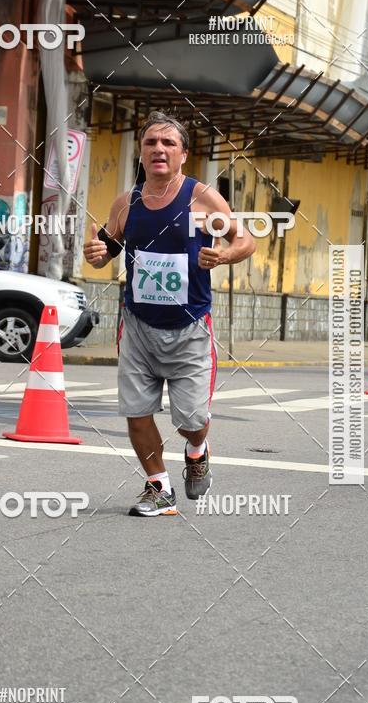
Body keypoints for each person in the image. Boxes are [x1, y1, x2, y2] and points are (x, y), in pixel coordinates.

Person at [83, 110, 256, 516]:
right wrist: (96, 254)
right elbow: (105, 248)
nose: (159, 149)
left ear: (183, 155)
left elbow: (244, 239)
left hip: (190, 326)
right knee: (137, 411)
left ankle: (197, 450)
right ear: (141, 154)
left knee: (190, 420)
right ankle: (158, 488)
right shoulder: (126, 204)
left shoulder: (201, 198)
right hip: (138, 326)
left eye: (168, 143)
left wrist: (226, 254)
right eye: (150, 143)